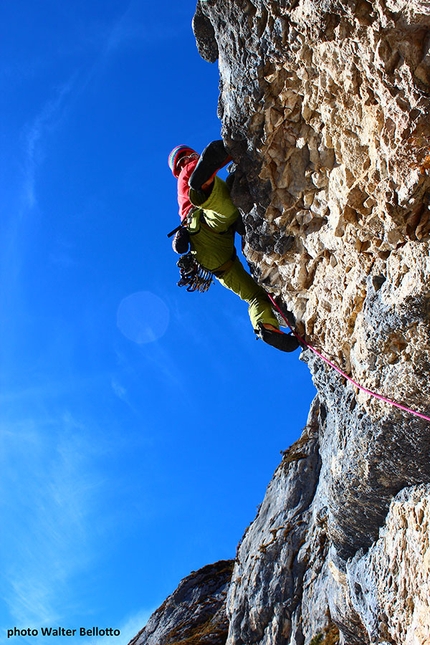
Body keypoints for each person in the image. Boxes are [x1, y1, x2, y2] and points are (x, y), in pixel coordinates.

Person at [167, 140, 299, 353]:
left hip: (216, 263)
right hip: (205, 230)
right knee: (223, 211)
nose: (189, 160)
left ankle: (265, 327)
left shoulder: (180, 186)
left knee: (254, 296)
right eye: (187, 158)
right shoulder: (186, 172)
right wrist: (233, 150)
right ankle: (204, 188)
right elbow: (192, 170)